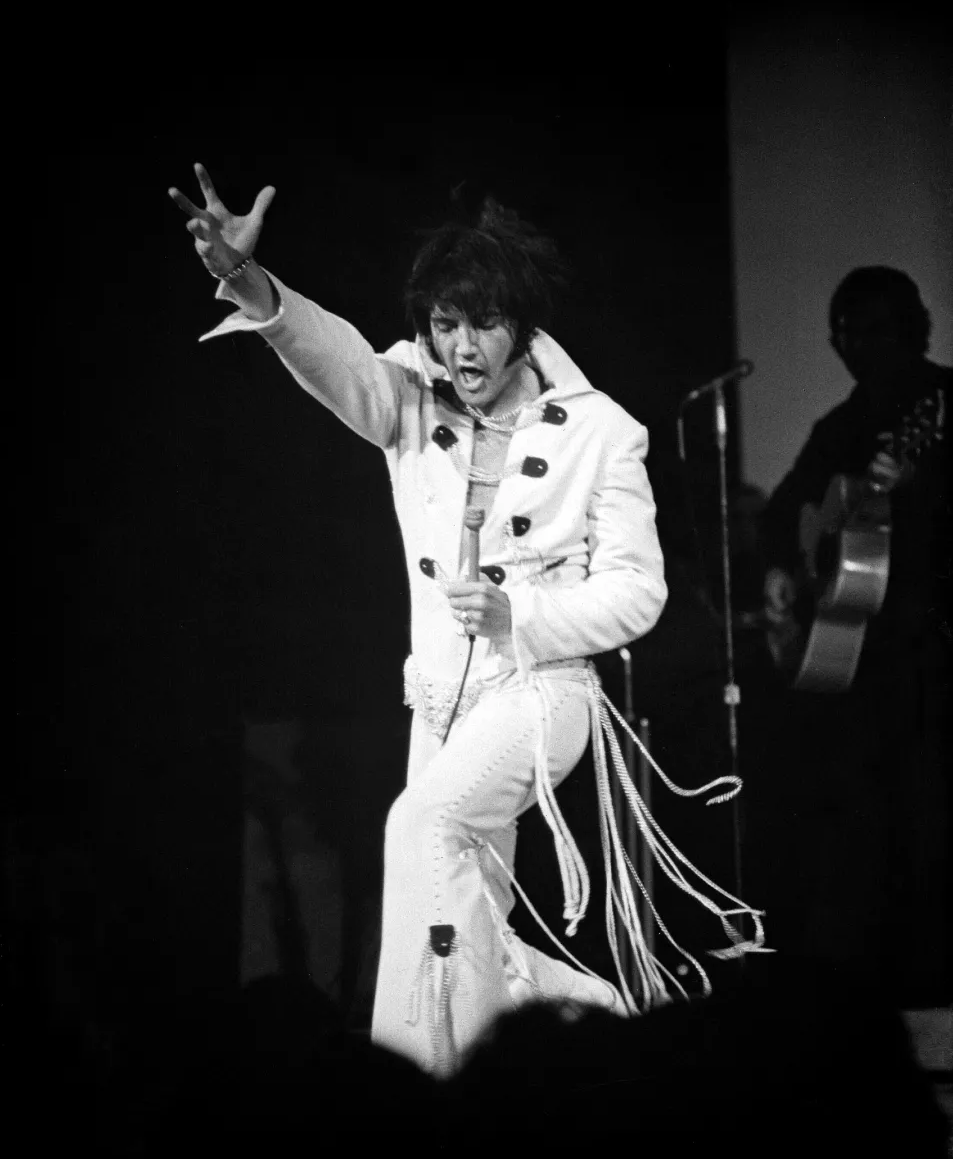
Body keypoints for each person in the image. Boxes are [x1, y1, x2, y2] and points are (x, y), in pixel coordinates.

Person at [169, 164, 763, 1075]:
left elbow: (639, 592)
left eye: (482, 324)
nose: (463, 349)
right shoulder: (407, 396)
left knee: (419, 831)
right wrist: (249, 281)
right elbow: (332, 356)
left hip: (541, 693)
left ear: (522, 325)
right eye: (445, 325)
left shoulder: (602, 431)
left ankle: (461, 1097)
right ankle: (588, 1022)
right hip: (440, 705)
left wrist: (517, 613)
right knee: (445, 916)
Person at [758, 266, 951, 1003]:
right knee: (855, 829)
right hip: (854, 663)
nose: (850, 343)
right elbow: (781, 517)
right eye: (840, 330)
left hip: (932, 648)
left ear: (910, 328)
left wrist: (920, 489)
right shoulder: (837, 427)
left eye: (867, 327)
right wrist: (782, 569)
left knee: (929, 822)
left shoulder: (942, 403)